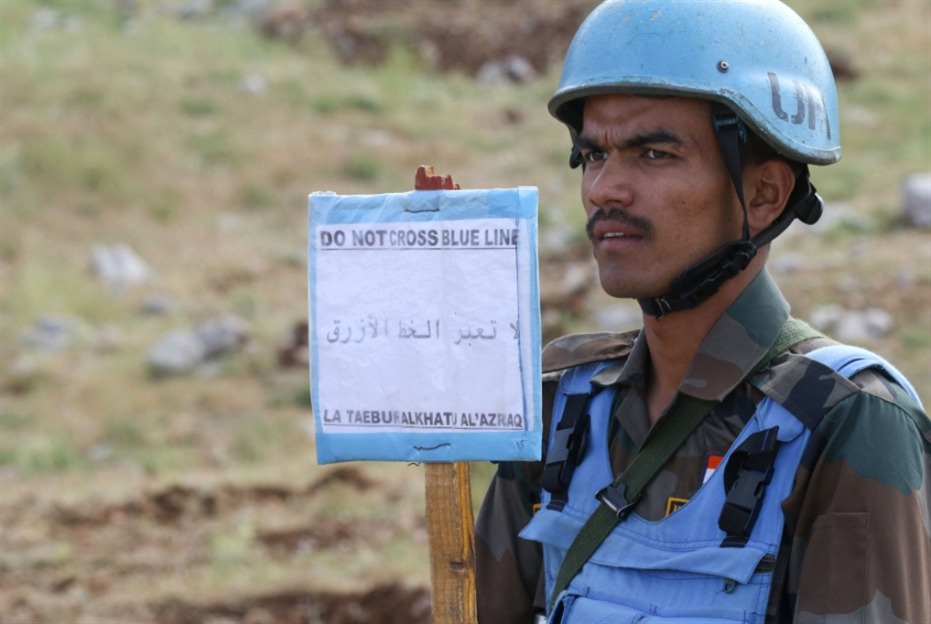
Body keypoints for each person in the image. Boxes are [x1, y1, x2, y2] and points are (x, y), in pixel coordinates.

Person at [474, 1, 931, 623]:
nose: (604, 189)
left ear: (765, 194)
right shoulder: (563, 400)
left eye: (654, 155)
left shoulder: (847, 420)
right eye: (593, 155)